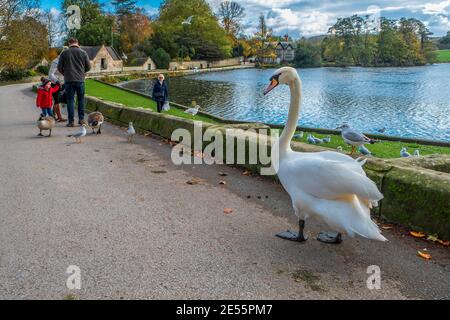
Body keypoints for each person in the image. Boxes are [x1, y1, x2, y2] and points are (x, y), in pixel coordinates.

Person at [57, 38, 91, 127]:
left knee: (70, 101)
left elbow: (59, 67)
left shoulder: (64, 53)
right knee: (80, 100)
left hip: (69, 81)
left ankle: (71, 121)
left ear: (69, 43)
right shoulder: (83, 53)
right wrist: (82, 73)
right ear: (77, 43)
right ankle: (81, 120)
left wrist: (65, 74)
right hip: (80, 80)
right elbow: (89, 67)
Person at [48, 46, 68, 122]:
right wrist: (57, 81)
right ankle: (59, 117)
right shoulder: (55, 61)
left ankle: (53, 115)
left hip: (62, 83)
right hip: (54, 83)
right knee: (57, 101)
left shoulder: (65, 61)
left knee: (58, 100)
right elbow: (50, 74)